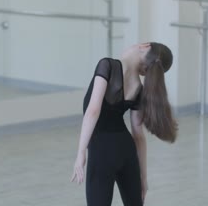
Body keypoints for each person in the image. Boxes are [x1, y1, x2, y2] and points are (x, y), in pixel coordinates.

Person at [71, 42, 178, 206]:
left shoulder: (107, 66)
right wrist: (143, 177)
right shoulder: (139, 89)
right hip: (127, 152)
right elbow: (139, 136)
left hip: (102, 152)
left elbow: (93, 111)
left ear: (144, 46)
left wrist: (80, 153)